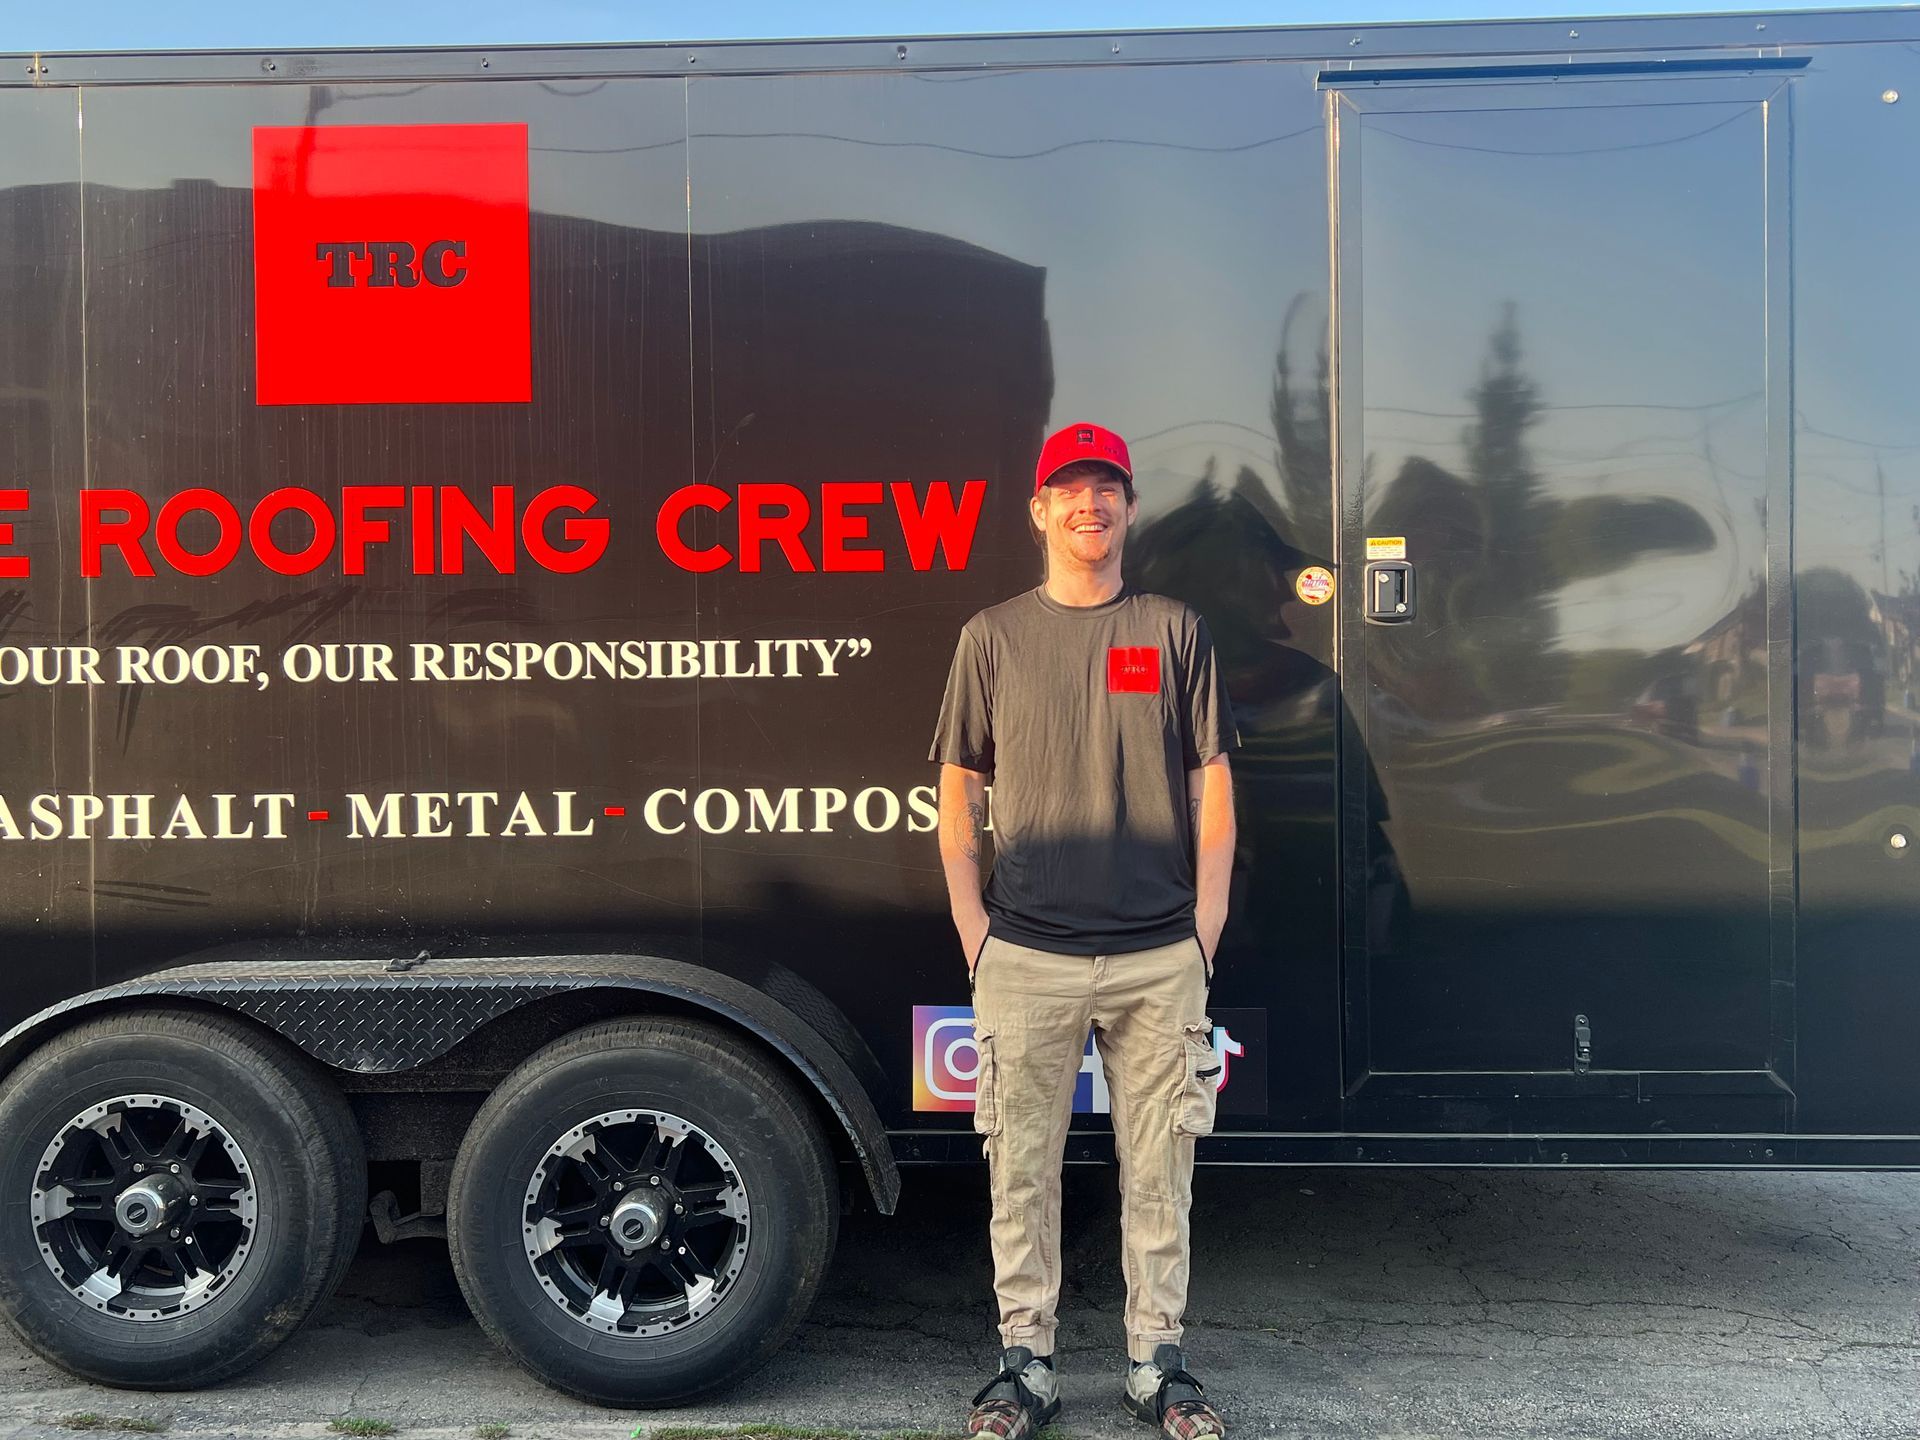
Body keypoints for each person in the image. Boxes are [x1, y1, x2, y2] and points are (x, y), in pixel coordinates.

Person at [930, 422, 1238, 1440]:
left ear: (1129, 510)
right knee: (1021, 1171)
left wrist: (1206, 925)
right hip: (1026, 954)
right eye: (1069, 490)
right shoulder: (993, 636)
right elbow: (958, 790)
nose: (1088, 507)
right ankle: (1027, 1369)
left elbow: (1212, 783)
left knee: (1161, 1171)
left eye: (1106, 489)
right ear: (1039, 510)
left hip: (1158, 957)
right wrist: (975, 927)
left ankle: (1159, 1366)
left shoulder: (1171, 629)